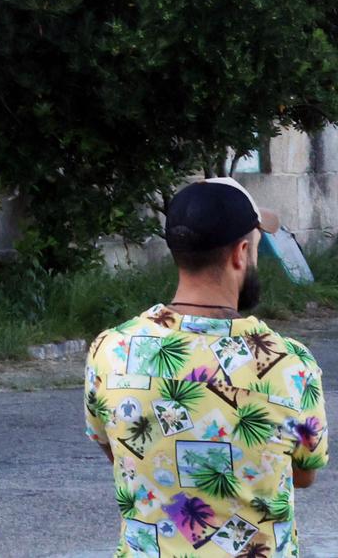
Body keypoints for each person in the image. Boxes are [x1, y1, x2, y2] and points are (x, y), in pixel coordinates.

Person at [85, 177, 326, 558]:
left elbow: (119, 450)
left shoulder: (110, 350)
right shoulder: (289, 363)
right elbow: (302, 473)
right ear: (240, 253)